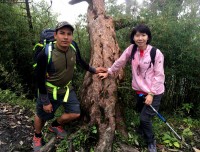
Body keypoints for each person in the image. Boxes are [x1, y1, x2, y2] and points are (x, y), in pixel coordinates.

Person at [33, 21, 106, 152]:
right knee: (42, 115)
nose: (65, 37)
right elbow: (39, 78)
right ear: (55, 35)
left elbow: (80, 60)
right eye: (62, 33)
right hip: (49, 91)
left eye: (69, 34)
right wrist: (45, 101)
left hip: (67, 89)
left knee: (75, 113)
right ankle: (37, 136)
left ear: (72, 36)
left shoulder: (73, 46)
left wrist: (94, 70)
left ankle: (55, 125)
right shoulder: (45, 53)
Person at [98, 24, 165, 152]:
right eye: (137, 35)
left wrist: (151, 94)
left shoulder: (155, 53)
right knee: (141, 112)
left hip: (154, 92)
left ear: (148, 37)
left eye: (143, 35)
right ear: (133, 37)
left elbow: (159, 75)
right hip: (139, 91)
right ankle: (141, 130)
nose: (140, 38)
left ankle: (151, 141)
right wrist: (109, 71)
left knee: (145, 118)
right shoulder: (131, 49)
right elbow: (120, 61)